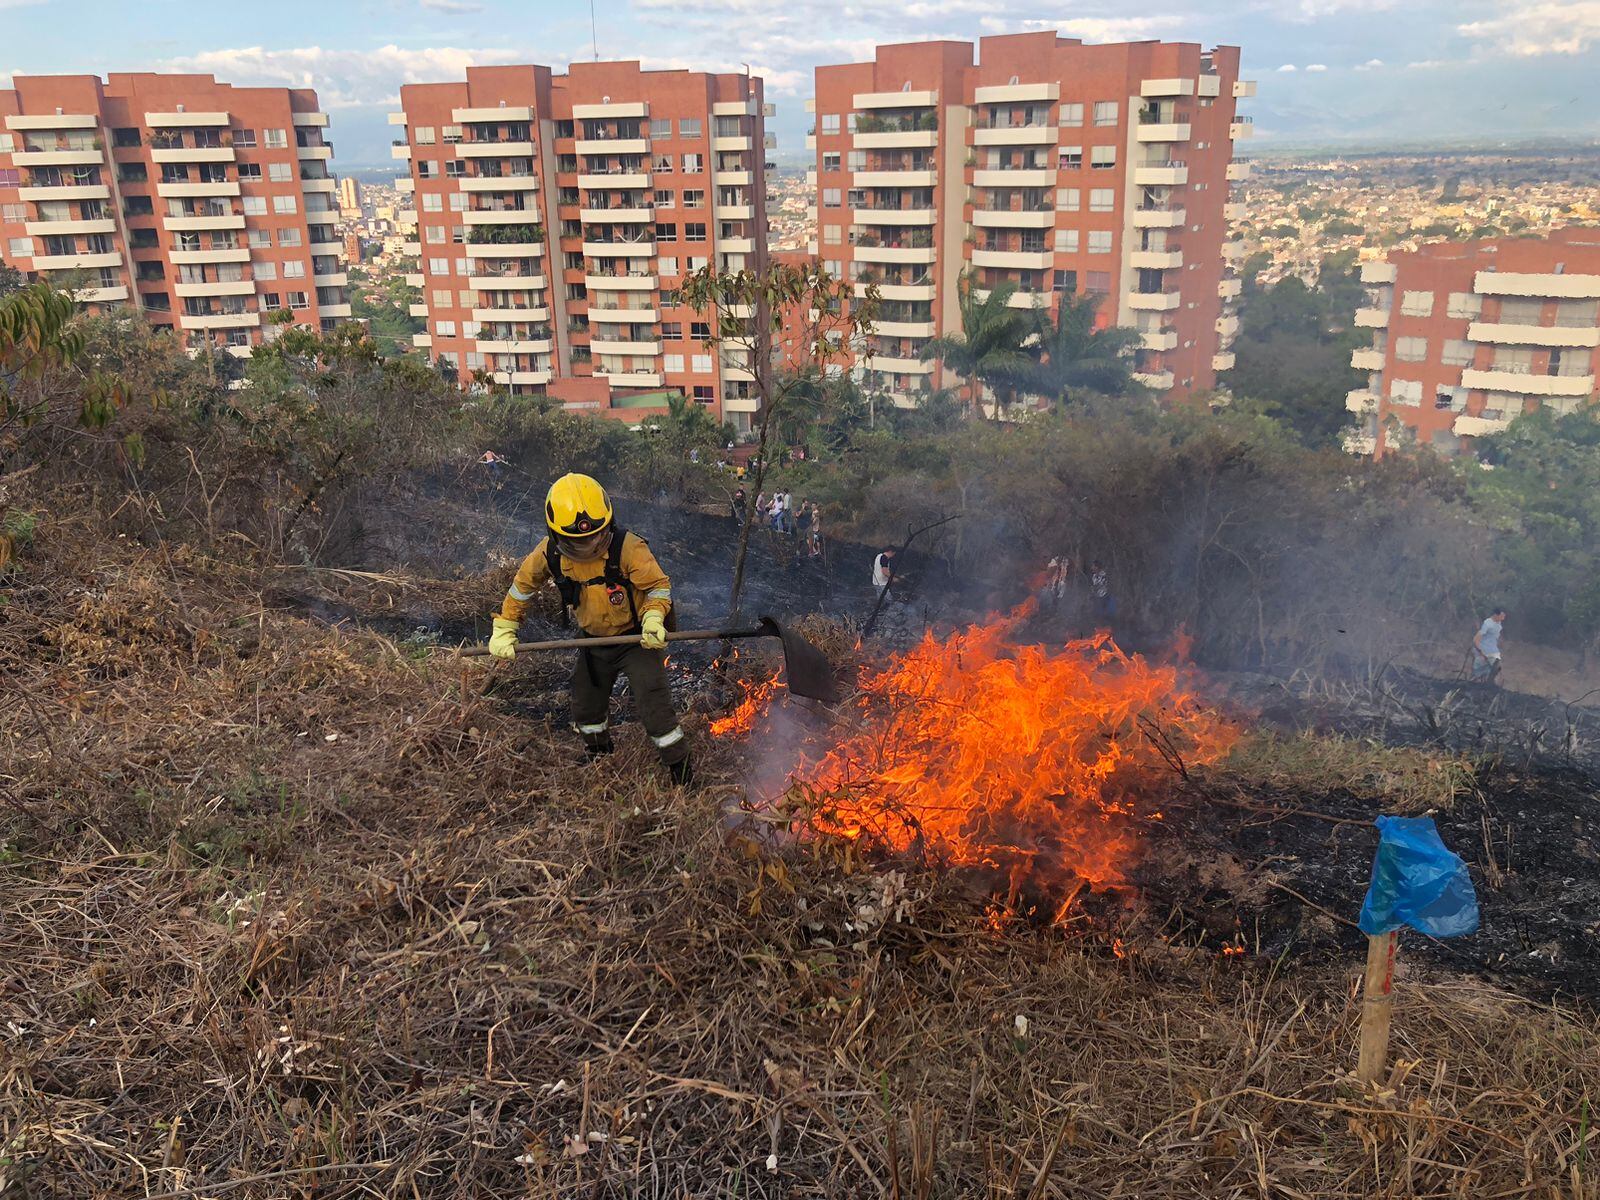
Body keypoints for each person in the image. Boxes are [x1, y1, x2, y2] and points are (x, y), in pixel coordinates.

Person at [489, 473, 691, 785]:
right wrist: (506, 626)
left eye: (597, 536)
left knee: (655, 708)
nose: (591, 543)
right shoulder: (549, 553)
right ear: (556, 534)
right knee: (585, 703)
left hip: (635, 639)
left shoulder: (629, 548)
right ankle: (599, 751)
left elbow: (657, 587)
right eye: (580, 541)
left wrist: (653, 618)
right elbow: (522, 587)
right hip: (592, 641)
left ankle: (681, 770)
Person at [1472, 607, 1506, 684]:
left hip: (1493, 650)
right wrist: (1480, 650)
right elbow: (1477, 637)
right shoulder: (1488, 624)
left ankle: (1490, 683)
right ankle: (1476, 682)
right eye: (1501, 615)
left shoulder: (1499, 624)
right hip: (1484, 649)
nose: (1503, 618)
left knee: (1496, 667)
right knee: (1479, 670)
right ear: (1496, 615)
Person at [1089, 559, 1115, 625]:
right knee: (1096, 613)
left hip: (1104, 596)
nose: (1092, 567)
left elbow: (1104, 585)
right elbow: (1094, 585)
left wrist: (1095, 588)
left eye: (1093, 566)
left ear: (1097, 567)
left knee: (1104, 613)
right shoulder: (1094, 576)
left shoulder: (1104, 575)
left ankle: (1105, 625)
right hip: (1097, 596)